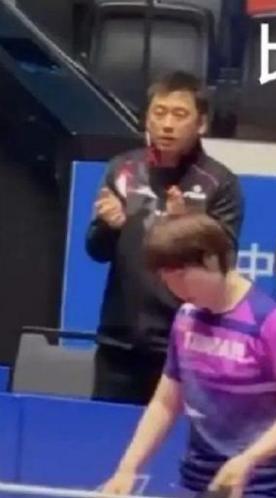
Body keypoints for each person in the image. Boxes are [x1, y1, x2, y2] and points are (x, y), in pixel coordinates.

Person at [102, 213, 276, 498]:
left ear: (211, 260)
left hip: (264, 483)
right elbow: (165, 403)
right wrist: (128, 468)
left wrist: (249, 459)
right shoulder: (186, 317)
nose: (175, 290)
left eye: (182, 277)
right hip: (198, 479)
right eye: (166, 280)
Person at [86, 71, 244, 405]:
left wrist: (185, 227)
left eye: (179, 114)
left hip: (187, 346)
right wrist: (108, 226)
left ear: (201, 124)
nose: (167, 124)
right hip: (119, 345)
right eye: (159, 113)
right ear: (147, 118)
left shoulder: (220, 183)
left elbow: (223, 266)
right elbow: (96, 251)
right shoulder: (123, 169)